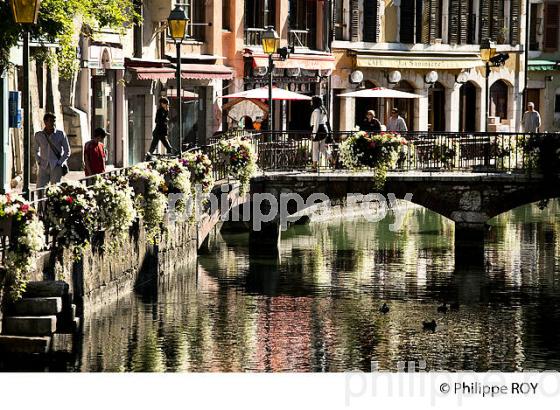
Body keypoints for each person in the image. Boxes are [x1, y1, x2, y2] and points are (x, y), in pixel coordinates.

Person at [34, 112, 71, 188]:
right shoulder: (39, 135)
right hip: (43, 166)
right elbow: (35, 150)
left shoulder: (60, 134)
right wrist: (39, 160)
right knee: (40, 189)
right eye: (50, 121)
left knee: (55, 189)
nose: (53, 123)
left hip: (56, 166)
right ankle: (41, 200)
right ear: (45, 122)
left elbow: (67, 151)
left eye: (54, 121)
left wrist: (59, 162)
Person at [310, 95, 330, 170]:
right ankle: (331, 158)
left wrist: (314, 134)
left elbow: (316, 124)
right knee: (322, 148)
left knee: (315, 149)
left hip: (319, 130)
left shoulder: (316, 111)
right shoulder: (322, 110)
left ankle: (314, 166)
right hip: (324, 130)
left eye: (311, 101)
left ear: (314, 102)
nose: (310, 102)